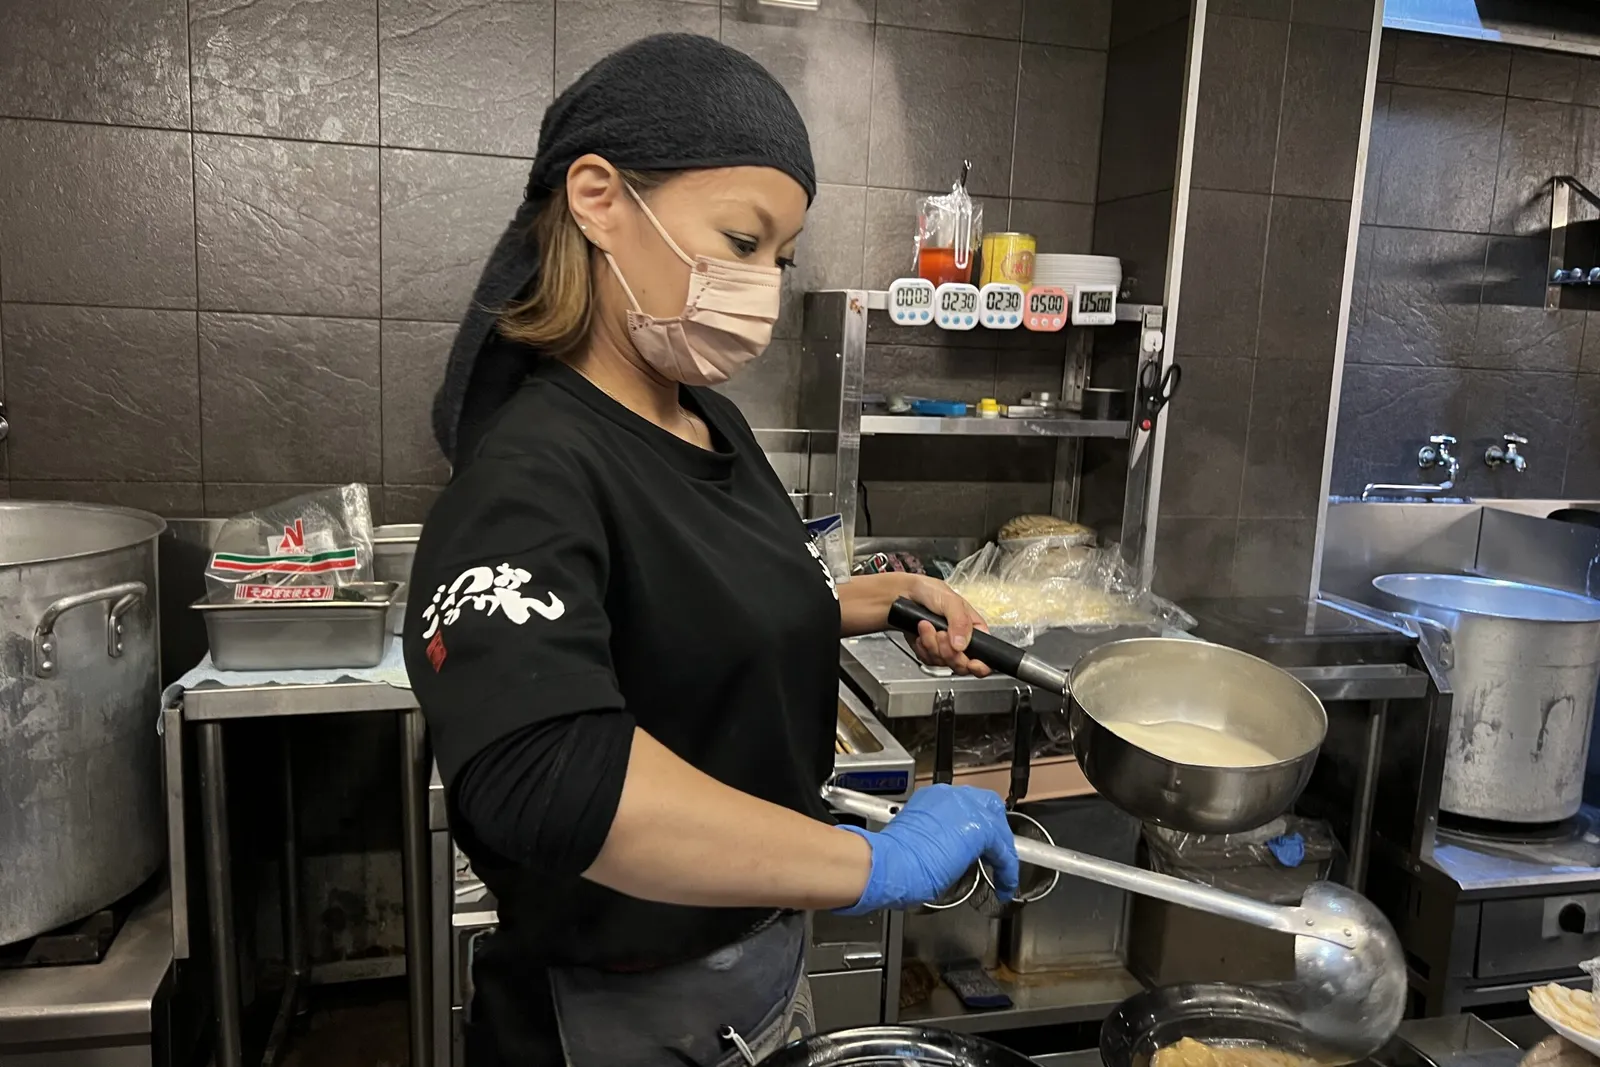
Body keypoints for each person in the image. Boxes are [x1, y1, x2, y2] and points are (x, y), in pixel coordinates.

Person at [403, 33, 1020, 1067]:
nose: (766, 286)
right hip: (614, 1014)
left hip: (758, 969)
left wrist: (887, 596)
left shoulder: (709, 424)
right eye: (741, 240)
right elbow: (549, 775)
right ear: (598, 198)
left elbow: (715, 600)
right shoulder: (531, 468)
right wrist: (861, 863)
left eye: (781, 256)